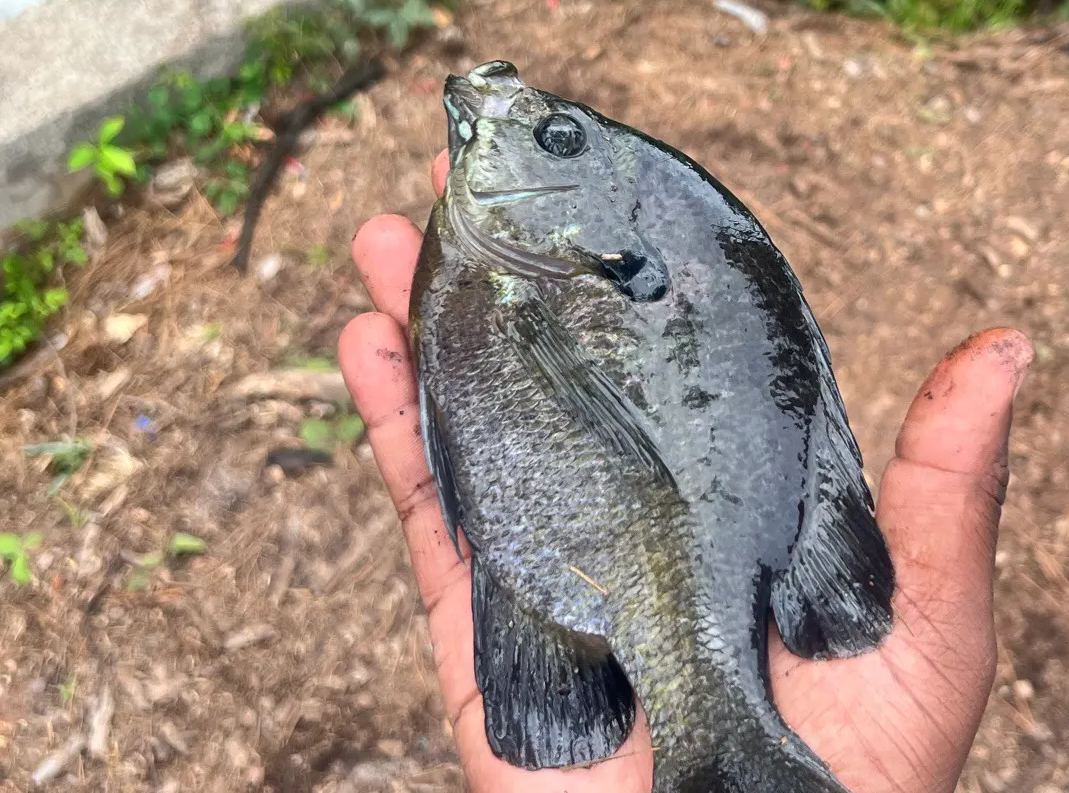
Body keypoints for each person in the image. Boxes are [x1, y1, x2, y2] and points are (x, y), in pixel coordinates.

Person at [338, 148, 1032, 793]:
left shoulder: (502, 271)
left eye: (555, 139)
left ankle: (717, 737)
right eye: (557, 138)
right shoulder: (522, 264)